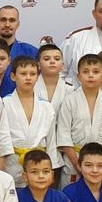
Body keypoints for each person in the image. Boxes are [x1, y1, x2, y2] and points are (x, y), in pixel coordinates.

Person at [56, 54, 102, 188]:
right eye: (85, 71)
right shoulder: (69, 100)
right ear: (78, 76)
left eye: (96, 71)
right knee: (71, 199)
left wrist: (100, 164)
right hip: (74, 164)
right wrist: (78, 164)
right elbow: (63, 136)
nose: (90, 75)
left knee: (101, 199)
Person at [1, 57, 58, 188]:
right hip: (12, 164)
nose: (28, 78)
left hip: (39, 164)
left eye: (32, 74)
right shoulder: (4, 103)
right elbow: (1, 139)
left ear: (37, 77)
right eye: (23, 74)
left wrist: (52, 167)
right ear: (13, 76)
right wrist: (0, 166)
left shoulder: (46, 106)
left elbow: (51, 141)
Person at [35, 44, 72, 187]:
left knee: (57, 187)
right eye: (46, 59)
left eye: (56, 59)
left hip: (61, 146)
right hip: (36, 144)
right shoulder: (29, 87)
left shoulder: (70, 89)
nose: (52, 61)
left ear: (62, 65)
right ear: (38, 65)